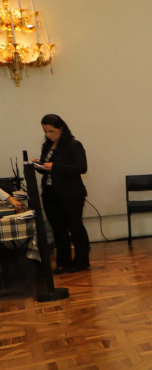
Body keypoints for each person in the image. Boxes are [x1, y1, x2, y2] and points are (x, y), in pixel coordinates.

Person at [33, 115, 90, 273]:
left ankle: (81, 261)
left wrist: (55, 167)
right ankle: (64, 262)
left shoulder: (73, 145)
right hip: (51, 194)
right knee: (58, 229)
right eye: (45, 131)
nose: (48, 135)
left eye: (52, 131)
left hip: (70, 193)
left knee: (75, 226)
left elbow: (81, 167)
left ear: (61, 129)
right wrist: (38, 165)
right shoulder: (47, 146)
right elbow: (48, 169)